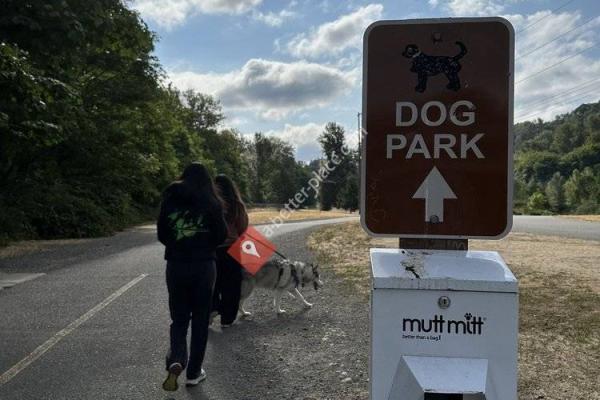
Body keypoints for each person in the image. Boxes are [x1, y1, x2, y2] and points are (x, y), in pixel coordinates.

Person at [157, 163, 228, 391]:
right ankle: (194, 373)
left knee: (179, 318)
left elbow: (162, 233)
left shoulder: (170, 198)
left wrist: (179, 245)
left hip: (176, 265)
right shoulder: (212, 202)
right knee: (200, 320)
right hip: (204, 267)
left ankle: (177, 357)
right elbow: (221, 235)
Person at [212, 174, 249, 327]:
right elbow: (243, 227)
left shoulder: (211, 203)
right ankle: (227, 318)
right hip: (233, 249)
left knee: (214, 283)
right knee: (232, 285)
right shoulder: (237, 205)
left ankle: (213, 307)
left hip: (213, 248)